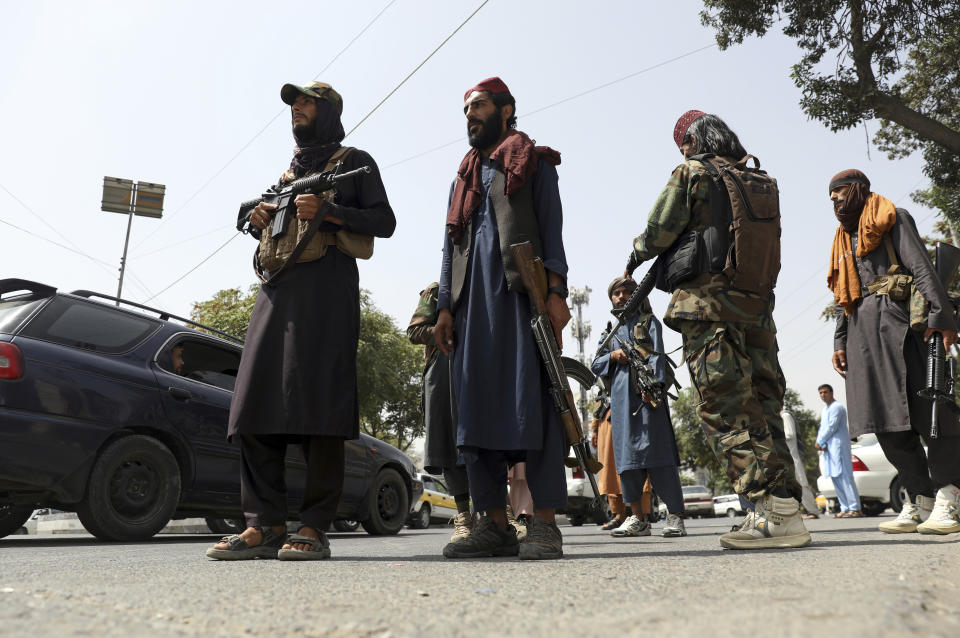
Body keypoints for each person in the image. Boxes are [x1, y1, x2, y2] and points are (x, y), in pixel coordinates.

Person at [206, 81, 395, 561]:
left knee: (320, 408)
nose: (297, 110)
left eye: (307, 103)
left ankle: (313, 526)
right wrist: (258, 214)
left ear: (329, 110)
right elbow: (245, 213)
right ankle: (263, 524)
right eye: (294, 105)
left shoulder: (357, 160)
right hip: (276, 290)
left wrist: (329, 212)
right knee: (252, 405)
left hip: (327, 290)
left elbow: (384, 221)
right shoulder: (290, 171)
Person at [624, 110, 810, 549]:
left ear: (691, 140)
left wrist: (635, 256)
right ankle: (786, 508)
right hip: (758, 311)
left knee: (725, 410)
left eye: (682, 144)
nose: (683, 152)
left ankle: (771, 511)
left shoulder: (692, 172)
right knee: (764, 407)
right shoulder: (759, 179)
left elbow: (657, 232)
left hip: (709, 310)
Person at [435, 77, 571, 560]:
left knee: (533, 403)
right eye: (466, 109)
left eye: (479, 106)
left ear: (506, 110)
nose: (470, 115)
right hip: (471, 311)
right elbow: (451, 248)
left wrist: (556, 291)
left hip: (522, 300)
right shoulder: (463, 177)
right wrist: (444, 306)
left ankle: (545, 523)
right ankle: (493, 524)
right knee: (473, 413)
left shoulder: (531, 162)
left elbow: (551, 230)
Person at [827, 169, 960, 534]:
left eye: (840, 193)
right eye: (831, 197)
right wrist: (840, 342)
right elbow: (844, 295)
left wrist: (941, 316)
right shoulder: (843, 238)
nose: (836, 201)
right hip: (862, 334)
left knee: (930, 413)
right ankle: (921, 498)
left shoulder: (892, 217)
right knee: (883, 421)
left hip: (902, 326)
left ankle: (951, 495)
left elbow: (921, 267)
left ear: (859, 190)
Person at [591, 276, 686, 538]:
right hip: (621, 407)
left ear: (638, 296)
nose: (621, 297)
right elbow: (595, 364)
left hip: (648, 401)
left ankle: (676, 516)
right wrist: (613, 355)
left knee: (659, 458)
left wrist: (652, 389)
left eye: (627, 292)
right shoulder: (610, 331)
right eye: (616, 293)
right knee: (627, 463)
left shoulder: (649, 324)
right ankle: (637, 519)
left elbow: (657, 358)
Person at [407, 282, 476, 543]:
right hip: (444, 368)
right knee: (449, 446)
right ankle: (464, 518)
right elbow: (414, 331)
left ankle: (497, 515)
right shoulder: (438, 291)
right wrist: (446, 330)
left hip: (480, 367)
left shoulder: (487, 286)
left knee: (490, 444)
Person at [815, 385, 861, 517]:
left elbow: (831, 427)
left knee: (845, 476)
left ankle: (855, 507)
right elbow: (822, 428)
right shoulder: (825, 410)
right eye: (821, 393)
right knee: (835, 477)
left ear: (831, 393)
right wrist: (820, 442)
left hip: (838, 445)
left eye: (825, 392)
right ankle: (845, 507)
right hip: (828, 447)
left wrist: (820, 441)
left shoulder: (837, 407)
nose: (823, 395)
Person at [590, 405, 628, 530]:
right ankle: (619, 515)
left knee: (635, 464)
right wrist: (595, 429)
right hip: (606, 417)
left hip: (629, 411)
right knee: (609, 469)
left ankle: (640, 516)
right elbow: (600, 397)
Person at [781, 408, 821, 518]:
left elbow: (789, 434)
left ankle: (813, 511)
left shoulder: (785, 416)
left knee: (802, 485)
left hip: (792, 457)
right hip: (785, 458)